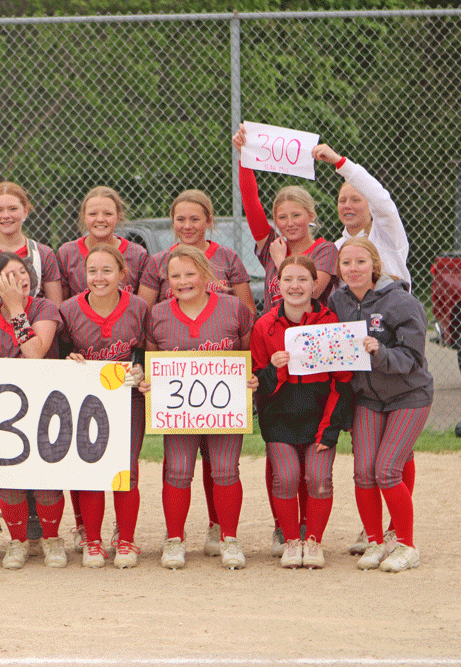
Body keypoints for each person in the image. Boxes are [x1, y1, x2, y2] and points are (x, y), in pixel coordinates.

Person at [152, 189, 256, 557]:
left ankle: (228, 538)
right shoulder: (159, 314)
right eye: (175, 276)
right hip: (179, 408)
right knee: (178, 470)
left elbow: (247, 347)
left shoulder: (232, 309)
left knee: (226, 470)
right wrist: (150, 382)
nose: (183, 281)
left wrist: (249, 376)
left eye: (190, 274)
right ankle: (174, 540)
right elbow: (152, 357)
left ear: (206, 274)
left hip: (223, 404)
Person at [56, 186, 159, 551]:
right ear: (82, 272)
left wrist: (142, 372)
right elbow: (60, 352)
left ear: (122, 272)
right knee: (88, 467)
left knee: (126, 470)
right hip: (84, 398)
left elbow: (149, 350)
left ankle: (127, 539)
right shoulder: (69, 310)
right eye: (92, 271)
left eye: (107, 270)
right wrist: (69, 360)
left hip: (125, 396)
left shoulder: (138, 308)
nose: (99, 277)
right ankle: (92, 538)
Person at [329, 238, 433, 572]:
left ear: (374, 265)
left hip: (407, 394)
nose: (353, 269)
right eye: (346, 263)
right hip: (367, 397)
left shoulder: (400, 302)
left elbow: (412, 359)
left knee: (387, 470)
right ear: (339, 269)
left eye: (360, 262)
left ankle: (406, 544)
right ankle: (375, 541)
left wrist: (379, 351)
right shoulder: (338, 301)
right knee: (363, 473)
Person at [250, 255, 353, 569]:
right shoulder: (265, 325)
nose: (295, 286)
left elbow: (343, 380)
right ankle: (292, 541)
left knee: (319, 478)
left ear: (315, 285)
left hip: (319, 416)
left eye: (303, 279)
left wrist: (330, 426)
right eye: (288, 280)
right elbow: (257, 383)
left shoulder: (330, 322)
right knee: (286, 477)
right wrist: (272, 368)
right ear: (277, 285)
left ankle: (314, 542)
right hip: (280, 417)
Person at [0, 251, 67, 569]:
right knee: (10, 478)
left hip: (46, 406)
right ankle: (17, 542)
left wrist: (17, 310)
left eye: (23, 271)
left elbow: (34, 353)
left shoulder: (45, 307)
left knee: (45, 478)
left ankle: (51, 539)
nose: (21, 278)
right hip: (9, 411)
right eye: (9, 275)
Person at [232, 125, 338, 311]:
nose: (290, 223)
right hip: (272, 333)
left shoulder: (325, 250)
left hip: (307, 334)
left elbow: (309, 293)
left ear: (310, 215)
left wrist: (280, 261)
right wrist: (244, 156)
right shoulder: (273, 245)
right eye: (282, 217)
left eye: (296, 215)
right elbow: (250, 201)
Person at [312, 143, 411, 287]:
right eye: (342, 200)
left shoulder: (387, 235)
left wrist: (339, 161)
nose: (347, 206)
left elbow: (381, 200)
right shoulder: (336, 248)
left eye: (355, 200)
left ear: (371, 206)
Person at [0, 182, 63, 316]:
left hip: (33, 329)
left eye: (13, 209)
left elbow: (55, 309)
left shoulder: (44, 254)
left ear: (25, 211)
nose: (5, 215)